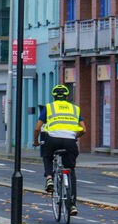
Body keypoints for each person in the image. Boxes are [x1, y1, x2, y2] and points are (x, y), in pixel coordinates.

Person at [36, 83, 85, 211]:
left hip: (52, 140)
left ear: (54, 97)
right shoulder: (75, 109)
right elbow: (84, 130)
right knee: (71, 169)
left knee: (47, 155)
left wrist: (35, 141)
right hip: (70, 141)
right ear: (67, 96)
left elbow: (37, 127)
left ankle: (49, 178)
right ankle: (72, 205)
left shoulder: (49, 107)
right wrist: (76, 136)